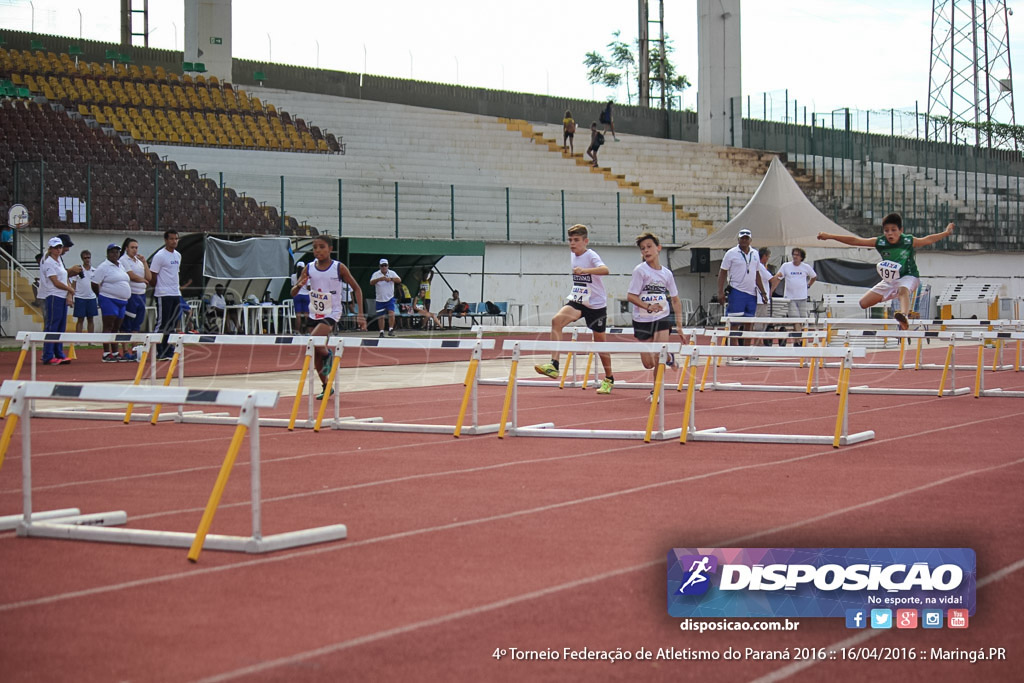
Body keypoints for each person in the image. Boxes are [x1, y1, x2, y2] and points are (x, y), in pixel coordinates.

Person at [817, 214, 955, 330]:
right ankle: (896, 296)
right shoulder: (880, 242)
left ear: (901, 230)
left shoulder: (908, 241)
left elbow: (927, 239)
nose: (890, 233)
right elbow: (855, 241)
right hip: (890, 281)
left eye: (893, 230)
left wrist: (946, 233)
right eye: (886, 230)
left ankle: (904, 317)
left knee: (902, 291)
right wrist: (830, 236)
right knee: (863, 303)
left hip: (909, 276)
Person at [534, 224, 615, 394]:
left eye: (576, 240)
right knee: (556, 321)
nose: (572, 243)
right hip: (578, 299)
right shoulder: (572, 254)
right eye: (570, 240)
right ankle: (554, 365)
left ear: (585, 241)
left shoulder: (591, 255)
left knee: (600, 343)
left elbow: (605, 270)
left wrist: (585, 270)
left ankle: (609, 378)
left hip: (596, 304)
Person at [290, 235, 366, 399]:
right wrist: (299, 285)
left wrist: (360, 314)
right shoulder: (309, 268)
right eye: (315, 247)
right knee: (315, 351)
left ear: (330, 249)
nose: (318, 250)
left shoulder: (338, 268)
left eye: (322, 247)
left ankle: (328, 354)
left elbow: (357, 288)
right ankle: (326, 386)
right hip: (315, 312)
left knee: (313, 340)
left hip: (332, 311)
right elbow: (293, 293)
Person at [626, 232, 686, 401]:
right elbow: (631, 296)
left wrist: (679, 326)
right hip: (642, 319)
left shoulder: (667, 274)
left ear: (658, 248)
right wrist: (648, 306)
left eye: (649, 247)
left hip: (661, 317)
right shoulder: (640, 271)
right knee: (648, 363)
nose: (646, 251)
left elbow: (675, 299)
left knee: (658, 355)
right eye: (643, 249)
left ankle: (656, 390)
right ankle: (669, 357)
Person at [716, 228, 767, 346]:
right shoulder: (731, 253)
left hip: (752, 293)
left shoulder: (755, 253)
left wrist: (763, 292)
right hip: (737, 291)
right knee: (735, 322)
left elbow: (757, 273)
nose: (744, 240)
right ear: (738, 239)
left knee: (749, 322)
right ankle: (734, 350)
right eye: (742, 238)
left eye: (746, 238)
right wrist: (720, 291)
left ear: (750, 240)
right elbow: (722, 272)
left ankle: (747, 350)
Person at [91, 243, 132, 362]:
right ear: (108, 253)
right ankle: (106, 353)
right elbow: (94, 283)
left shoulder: (120, 265)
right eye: (112, 252)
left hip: (122, 301)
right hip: (109, 299)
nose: (115, 254)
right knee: (108, 326)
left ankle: (115, 351)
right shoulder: (104, 267)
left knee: (117, 327)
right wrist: (101, 295)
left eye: (117, 252)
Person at [39, 237, 75, 365]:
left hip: (61, 296)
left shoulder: (59, 260)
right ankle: (48, 355)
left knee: (60, 326)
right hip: (54, 295)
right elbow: (55, 282)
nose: (58, 250)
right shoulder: (48, 262)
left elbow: (64, 278)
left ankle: (59, 353)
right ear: (50, 249)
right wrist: (70, 289)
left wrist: (68, 293)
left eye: (60, 247)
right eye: (56, 247)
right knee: (52, 326)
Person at [149, 229, 182, 360]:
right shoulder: (160, 256)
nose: (174, 241)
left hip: (175, 292)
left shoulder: (178, 255)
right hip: (163, 293)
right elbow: (153, 275)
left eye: (176, 239)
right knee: (162, 322)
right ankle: (157, 349)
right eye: (172, 239)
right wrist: (157, 287)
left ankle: (167, 348)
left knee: (172, 322)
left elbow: (175, 273)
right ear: (166, 240)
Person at [118, 237, 150, 358]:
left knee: (137, 323)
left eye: (136, 247)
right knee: (127, 323)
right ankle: (125, 350)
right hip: (131, 294)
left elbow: (149, 277)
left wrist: (145, 263)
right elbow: (131, 275)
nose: (135, 250)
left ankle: (135, 349)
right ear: (126, 248)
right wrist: (143, 280)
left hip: (141, 294)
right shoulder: (123, 260)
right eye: (132, 247)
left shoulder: (139, 261)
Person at [774, 247, 817, 318]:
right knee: (794, 317)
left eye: (797, 255)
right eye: (794, 254)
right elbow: (778, 278)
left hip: (802, 297)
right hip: (790, 297)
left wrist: (809, 285)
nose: (795, 256)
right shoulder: (785, 266)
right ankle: (797, 329)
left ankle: (800, 329)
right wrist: (772, 290)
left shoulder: (806, 267)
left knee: (803, 317)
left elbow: (814, 276)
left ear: (801, 257)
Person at [370, 258, 401, 337]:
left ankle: (391, 329)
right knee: (381, 316)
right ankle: (381, 331)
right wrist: (379, 279)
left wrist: (390, 279)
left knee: (391, 313)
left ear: (388, 266)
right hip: (380, 299)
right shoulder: (376, 274)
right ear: (380, 266)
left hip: (389, 297)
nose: (384, 267)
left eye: (385, 265)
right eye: (382, 266)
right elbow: (371, 282)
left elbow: (399, 280)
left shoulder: (392, 273)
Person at [71, 249, 98, 334]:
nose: (87, 259)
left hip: (91, 297)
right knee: (80, 319)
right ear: (82, 259)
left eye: (88, 258)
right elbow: (73, 284)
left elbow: (98, 284)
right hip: (80, 297)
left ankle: (90, 340)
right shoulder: (78, 270)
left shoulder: (95, 271)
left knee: (91, 319)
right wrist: (71, 296)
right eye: (85, 258)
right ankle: (78, 340)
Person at [291, 261, 310, 333]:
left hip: (297, 295)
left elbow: (293, 287)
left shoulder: (293, 276)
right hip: (306, 295)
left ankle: (297, 331)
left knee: (298, 315)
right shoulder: (307, 276)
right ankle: (307, 332)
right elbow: (309, 287)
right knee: (306, 315)